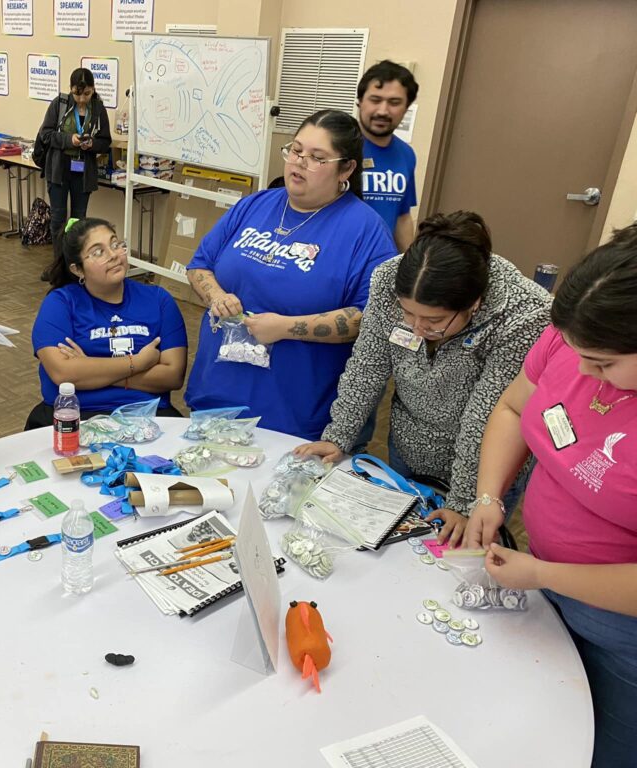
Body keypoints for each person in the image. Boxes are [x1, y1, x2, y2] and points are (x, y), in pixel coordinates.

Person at [463, 224, 637, 767]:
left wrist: (541, 576)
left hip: (620, 630)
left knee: (600, 750)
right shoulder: (576, 337)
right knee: (528, 729)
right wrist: (489, 498)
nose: (585, 373)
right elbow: (515, 409)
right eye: (574, 351)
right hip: (539, 577)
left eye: (604, 364)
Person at [295, 211, 550, 543]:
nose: (416, 327)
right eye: (407, 313)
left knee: (457, 558)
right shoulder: (389, 277)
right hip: (409, 441)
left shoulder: (524, 312)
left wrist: (464, 502)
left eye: (433, 320)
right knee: (400, 545)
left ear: (474, 303)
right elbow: (368, 364)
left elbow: (488, 415)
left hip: (485, 469)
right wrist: (338, 435)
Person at [184, 109, 398, 439]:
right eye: (296, 150)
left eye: (316, 157)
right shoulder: (255, 206)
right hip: (216, 395)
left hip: (293, 416)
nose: (299, 162)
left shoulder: (366, 231)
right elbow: (200, 265)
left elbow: (368, 319)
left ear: (347, 168)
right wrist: (216, 296)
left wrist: (286, 328)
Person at [27, 217, 187, 429]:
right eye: (98, 252)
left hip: (148, 416)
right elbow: (63, 373)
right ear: (77, 269)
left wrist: (90, 368)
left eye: (115, 244)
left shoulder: (159, 300)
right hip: (75, 416)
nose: (113, 255)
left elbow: (172, 376)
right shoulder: (60, 303)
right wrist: (138, 363)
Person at [37, 68, 112, 256]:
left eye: (86, 94)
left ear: (93, 89)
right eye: (77, 94)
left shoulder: (98, 109)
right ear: (70, 89)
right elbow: (45, 134)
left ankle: (76, 263)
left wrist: (92, 144)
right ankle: (58, 262)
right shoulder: (60, 104)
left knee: (79, 220)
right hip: (59, 169)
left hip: (83, 171)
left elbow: (105, 141)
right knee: (58, 218)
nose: (81, 99)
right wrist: (69, 140)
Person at [357, 60, 419, 252]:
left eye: (394, 103)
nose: (383, 111)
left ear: (406, 108)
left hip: (381, 264)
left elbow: (402, 217)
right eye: (375, 100)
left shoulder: (406, 154)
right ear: (360, 101)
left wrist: (409, 265)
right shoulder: (335, 147)